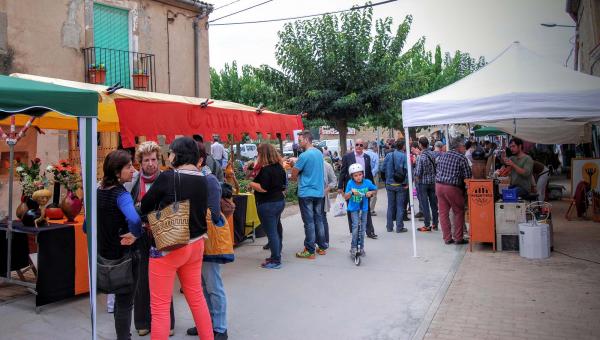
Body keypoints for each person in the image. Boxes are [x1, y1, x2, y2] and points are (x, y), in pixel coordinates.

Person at [140, 137, 214, 340]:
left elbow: (146, 204)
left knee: (160, 308)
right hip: (196, 243)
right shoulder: (203, 177)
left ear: (178, 154)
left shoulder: (168, 177)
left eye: (171, 152)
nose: (169, 155)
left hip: (169, 245)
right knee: (197, 297)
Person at [125, 142, 175, 337]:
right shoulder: (134, 182)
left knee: (164, 279)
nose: (151, 164)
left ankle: (167, 323)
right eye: (146, 160)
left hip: (162, 235)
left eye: (154, 159)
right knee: (141, 279)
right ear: (140, 163)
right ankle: (142, 322)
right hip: (141, 236)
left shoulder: (166, 179)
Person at [186, 141, 231, 340]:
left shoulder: (209, 180)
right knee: (200, 286)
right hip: (196, 238)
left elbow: (213, 213)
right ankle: (205, 322)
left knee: (213, 285)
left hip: (208, 239)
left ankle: (220, 327)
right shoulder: (193, 178)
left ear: (199, 160)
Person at [98, 150, 142, 340]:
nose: (133, 170)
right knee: (125, 302)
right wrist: (136, 234)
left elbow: (86, 226)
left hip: (104, 255)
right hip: (124, 256)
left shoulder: (97, 191)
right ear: (117, 172)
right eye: (129, 166)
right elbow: (134, 218)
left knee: (118, 300)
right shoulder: (120, 195)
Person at [249, 143, 287, 269]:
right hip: (279, 202)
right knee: (275, 230)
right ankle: (276, 254)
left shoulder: (266, 170)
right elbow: (283, 186)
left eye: (259, 153)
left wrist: (252, 184)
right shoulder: (279, 167)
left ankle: (276, 260)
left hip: (268, 204)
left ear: (263, 154)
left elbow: (263, 188)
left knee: (271, 233)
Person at [291, 131, 327, 259]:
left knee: (309, 222)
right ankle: (322, 247)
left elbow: (294, 175)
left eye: (300, 140)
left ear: (306, 140)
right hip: (319, 192)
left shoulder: (304, 156)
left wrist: (293, 168)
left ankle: (310, 250)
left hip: (306, 193)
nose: (299, 143)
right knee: (319, 219)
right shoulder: (318, 153)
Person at [337, 138, 378, 239]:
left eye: (361, 145)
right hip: (351, 187)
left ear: (364, 146)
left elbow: (368, 173)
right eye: (357, 145)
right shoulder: (347, 156)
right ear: (354, 146)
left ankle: (370, 231)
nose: (359, 147)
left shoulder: (367, 157)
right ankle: (353, 231)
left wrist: (371, 188)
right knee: (352, 209)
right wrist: (340, 186)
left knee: (366, 209)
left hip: (364, 187)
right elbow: (342, 172)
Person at [435, 137, 472, 245]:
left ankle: (447, 238)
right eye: (464, 146)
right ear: (459, 147)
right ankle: (458, 238)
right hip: (452, 187)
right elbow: (468, 176)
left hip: (439, 185)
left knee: (443, 213)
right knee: (458, 212)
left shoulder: (442, 155)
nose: (465, 148)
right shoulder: (461, 158)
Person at [344, 163, 377, 256]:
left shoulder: (367, 182)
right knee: (355, 228)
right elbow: (346, 196)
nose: (358, 177)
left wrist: (370, 192)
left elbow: (375, 190)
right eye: (355, 175)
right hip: (354, 209)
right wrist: (351, 192)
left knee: (362, 229)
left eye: (360, 174)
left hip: (364, 208)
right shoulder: (350, 183)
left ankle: (361, 247)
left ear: (363, 174)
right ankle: (353, 247)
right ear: (352, 176)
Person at [383, 140, 409, 233]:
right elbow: (407, 172)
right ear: (403, 147)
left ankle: (389, 227)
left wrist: (385, 180)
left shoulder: (388, 155)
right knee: (400, 206)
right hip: (400, 185)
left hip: (389, 184)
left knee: (390, 206)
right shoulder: (404, 156)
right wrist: (407, 183)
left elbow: (382, 169)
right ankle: (399, 227)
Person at [415, 137, 439, 232]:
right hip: (432, 182)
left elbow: (418, 172)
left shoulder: (421, 157)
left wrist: (416, 179)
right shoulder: (432, 154)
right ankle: (435, 224)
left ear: (420, 145)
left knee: (425, 204)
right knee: (433, 204)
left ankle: (427, 224)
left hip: (423, 183)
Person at [322, 157, 338, 245]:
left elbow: (334, 180)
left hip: (322, 196)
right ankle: (315, 241)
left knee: (322, 218)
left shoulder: (326, 165)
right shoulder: (309, 164)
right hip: (311, 196)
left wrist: (327, 189)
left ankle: (325, 241)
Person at [364, 142, 380, 216]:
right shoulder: (375, 155)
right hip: (373, 175)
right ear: (374, 147)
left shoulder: (363, 153)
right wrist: (371, 174)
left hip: (364, 176)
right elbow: (376, 167)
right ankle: (371, 209)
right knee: (373, 192)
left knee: (364, 191)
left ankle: (364, 208)